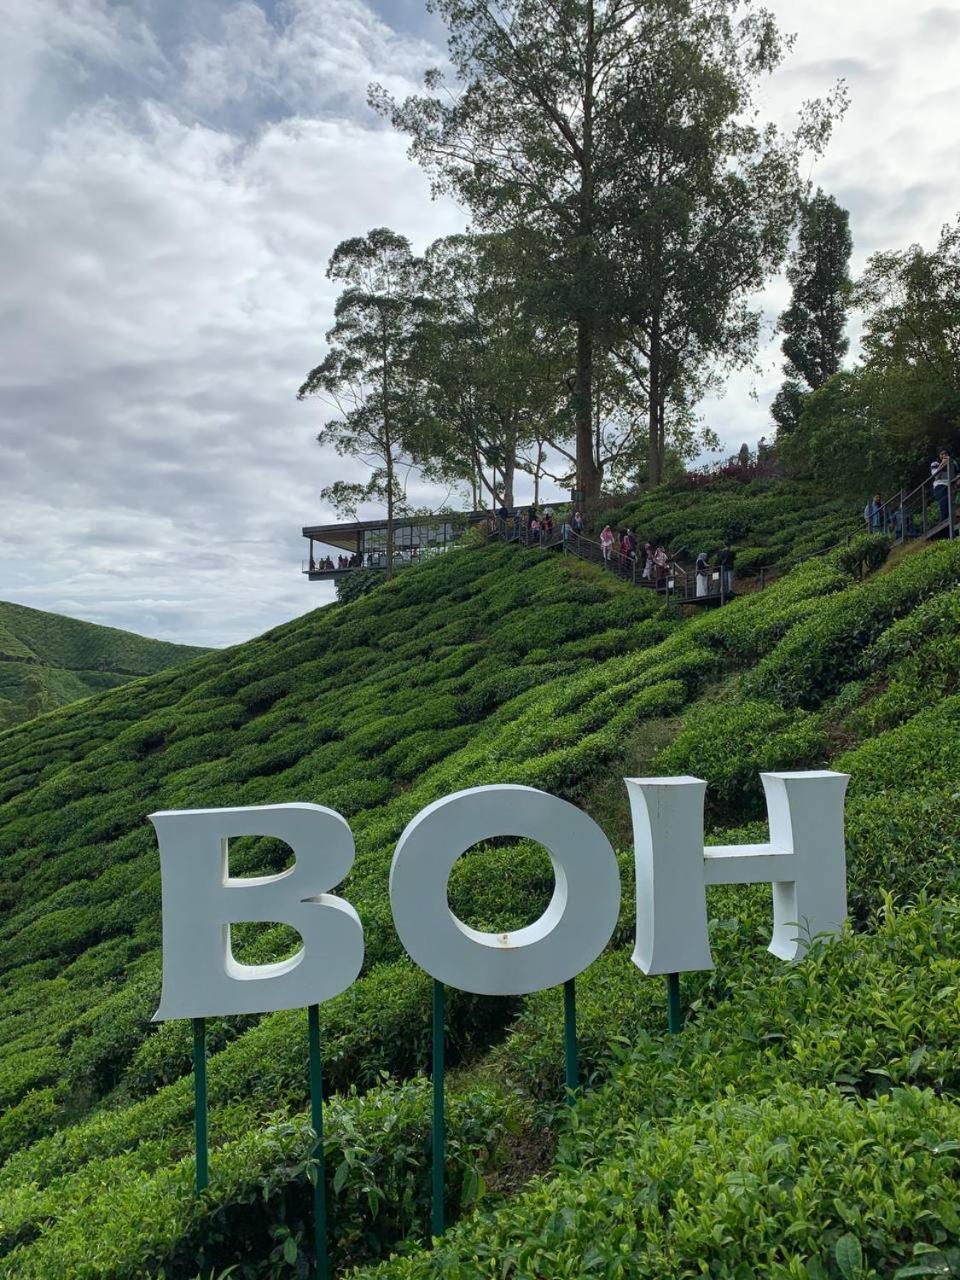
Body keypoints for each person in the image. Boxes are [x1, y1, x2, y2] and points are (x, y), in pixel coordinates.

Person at [931, 449, 952, 524]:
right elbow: (936, 476)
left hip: (950, 485)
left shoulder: (953, 463)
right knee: (944, 504)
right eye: (942, 454)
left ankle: (950, 526)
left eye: (945, 454)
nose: (944, 455)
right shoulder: (935, 463)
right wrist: (942, 464)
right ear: (939, 456)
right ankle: (944, 525)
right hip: (939, 485)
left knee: (951, 505)